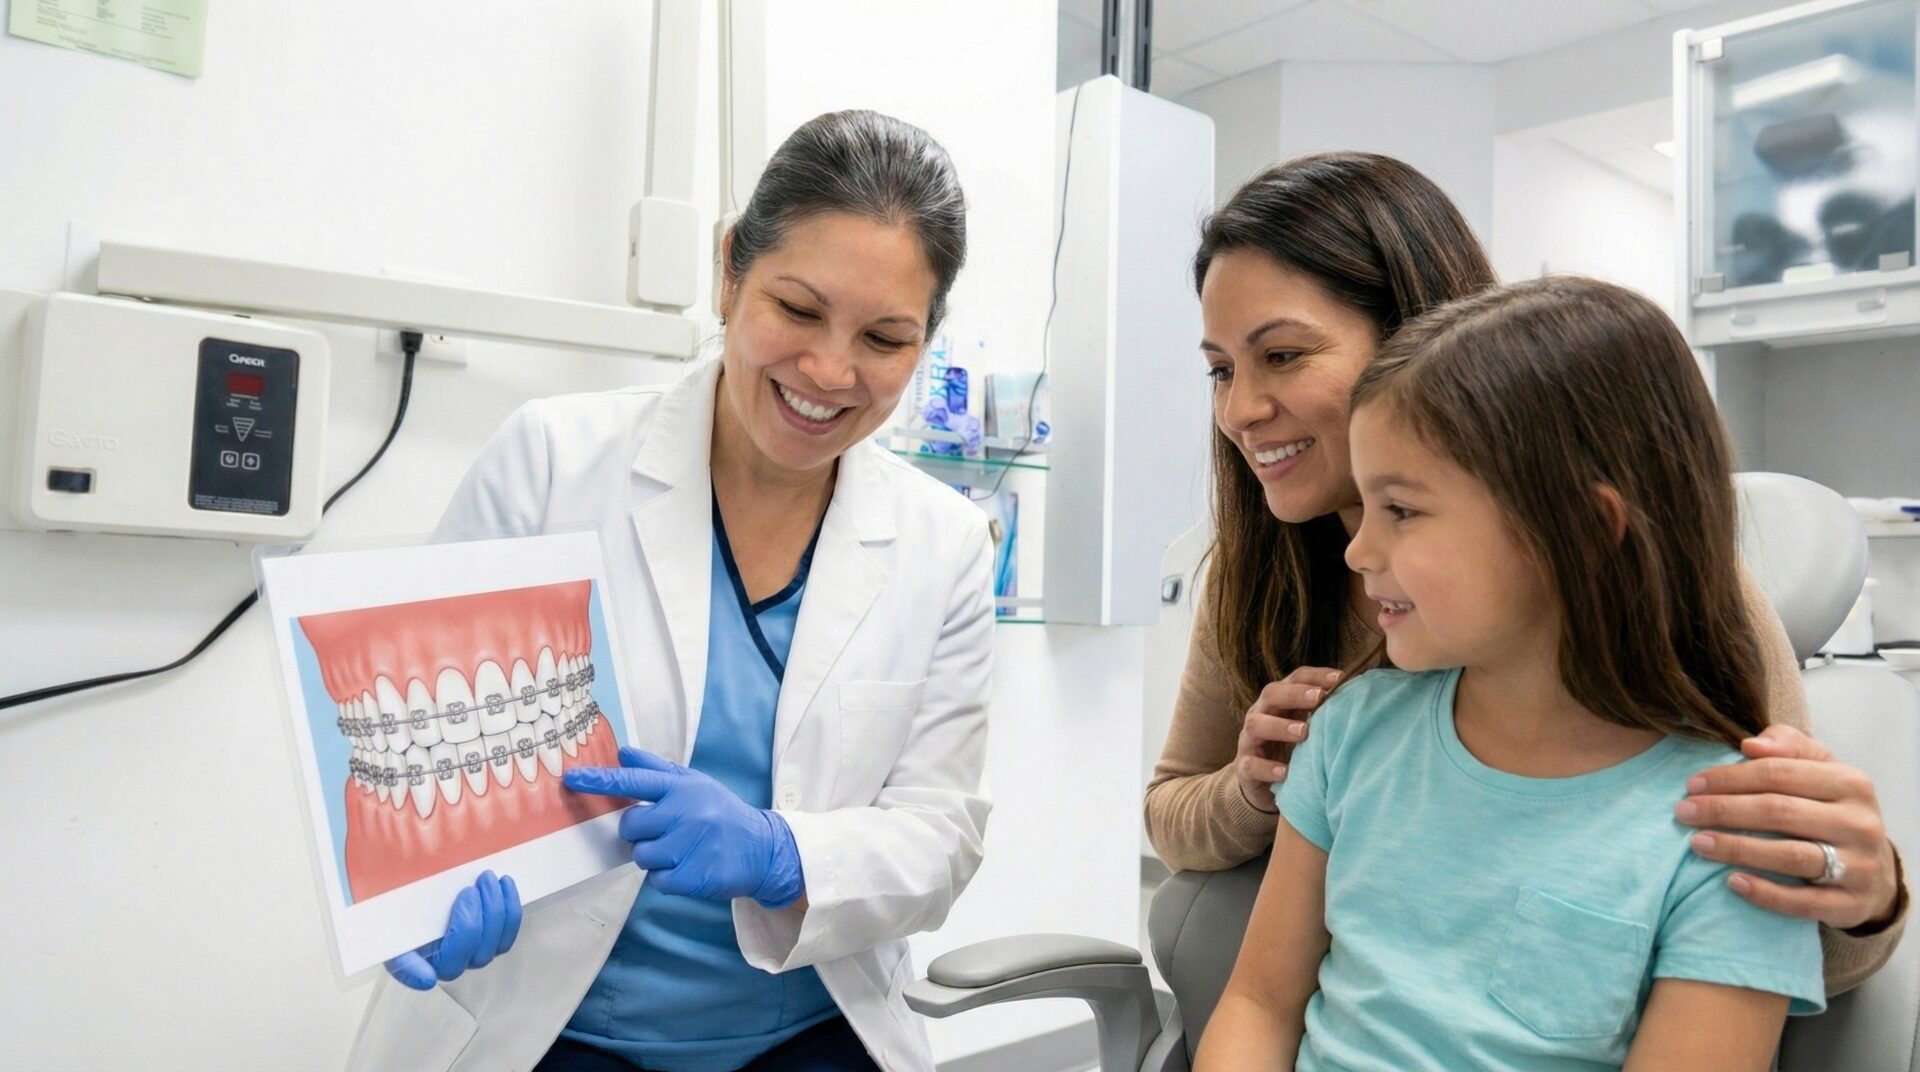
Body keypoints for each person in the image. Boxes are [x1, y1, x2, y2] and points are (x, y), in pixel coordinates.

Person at [1145, 152, 1908, 993]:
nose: (1239, 411)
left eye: (1282, 356)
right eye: (1220, 370)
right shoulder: (1276, 600)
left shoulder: (1669, 610)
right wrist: (1251, 790)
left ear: (1420, 342)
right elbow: (1182, 830)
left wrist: (1864, 893)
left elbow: (1778, 911)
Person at [347, 109, 993, 1072]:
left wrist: (781, 854)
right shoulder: (553, 463)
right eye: (799, 309)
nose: (828, 370)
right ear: (730, 270)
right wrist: (409, 896)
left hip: (811, 1034)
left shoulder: (944, 543)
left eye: (885, 338)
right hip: (555, 1024)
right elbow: (409, 770)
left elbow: (938, 839)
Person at [1195, 276, 1827, 1070]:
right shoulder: (1352, 733)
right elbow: (1258, 1003)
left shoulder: (1732, 831)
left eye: (1403, 510)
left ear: (1585, 531)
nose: (1358, 551)